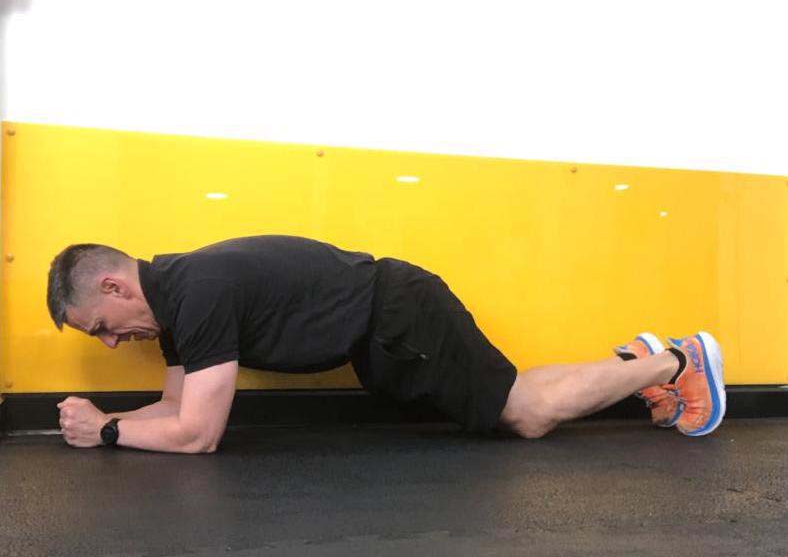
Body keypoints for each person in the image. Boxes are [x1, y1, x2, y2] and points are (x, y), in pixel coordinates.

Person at [47, 235, 726, 453]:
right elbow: (172, 407)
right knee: (507, 400)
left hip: (397, 314)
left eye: (101, 328)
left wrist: (107, 432)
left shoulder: (197, 291)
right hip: (385, 334)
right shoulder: (177, 299)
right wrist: (106, 421)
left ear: (113, 286)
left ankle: (675, 360)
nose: (110, 344)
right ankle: (637, 366)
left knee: (523, 412)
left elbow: (197, 434)